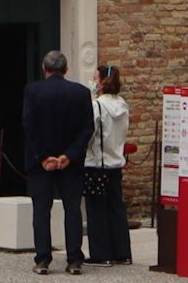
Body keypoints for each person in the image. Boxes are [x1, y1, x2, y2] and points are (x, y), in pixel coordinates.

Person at [23, 49, 95, 275]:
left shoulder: (32, 91)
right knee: (72, 208)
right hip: (70, 163)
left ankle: (43, 259)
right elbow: (87, 129)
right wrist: (69, 155)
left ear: (44, 69)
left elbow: (29, 126)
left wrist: (43, 156)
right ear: (66, 70)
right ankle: (74, 260)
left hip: (40, 163)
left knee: (41, 210)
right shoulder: (81, 93)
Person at [84, 63, 132, 265]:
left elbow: (90, 133)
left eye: (95, 79)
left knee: (96, 210)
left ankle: (101, 254)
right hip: (115, 163)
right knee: (116, 208)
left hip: (97, 164)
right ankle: (122, 252)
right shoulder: (123, 105)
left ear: (101, 83)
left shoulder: (98, 106)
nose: (93, 82)